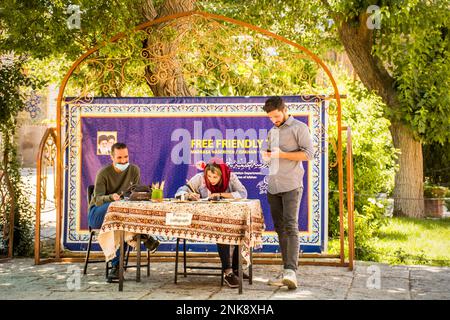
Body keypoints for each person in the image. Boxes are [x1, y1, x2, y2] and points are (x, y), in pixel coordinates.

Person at [261, 96, 314, 290]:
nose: (273, 120)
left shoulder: (299, 128)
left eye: (276, 116)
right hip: (273, 186)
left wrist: (280, 154)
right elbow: (268, 154)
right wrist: (267, 156)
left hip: (291, 185)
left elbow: (309, 154)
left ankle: (292, 271)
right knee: (280, 228)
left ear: (284, 110)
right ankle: (286, 271)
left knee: (291, 226)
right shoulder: (271, 131)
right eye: (270, 117)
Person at [88, 142, 160, 281]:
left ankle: (117, 268)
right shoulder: (103, 173)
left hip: (120, 215)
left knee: (122, 221)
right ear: (112, 157)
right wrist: (111, 197)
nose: (123, 161)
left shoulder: (134, 170)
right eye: (119, 158)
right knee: (119, 213)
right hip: (97, 213)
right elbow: (96, 200)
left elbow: (135, 194)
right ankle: (144, 236)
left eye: (126, 157)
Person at [174, 159, 248, 288]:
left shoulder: (230, 177)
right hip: (205, 221)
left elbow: (243, 193)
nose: (211, 179)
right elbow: (180, 191)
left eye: (215, 177)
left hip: (228, 218)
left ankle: (236, 269)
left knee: (240, 227)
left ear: (222, 174)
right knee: (222, 229)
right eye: (209, 176)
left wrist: (220, 194)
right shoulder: (200, 178)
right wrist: (189, 195)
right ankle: (228, 272)